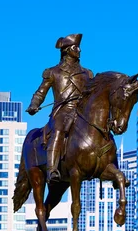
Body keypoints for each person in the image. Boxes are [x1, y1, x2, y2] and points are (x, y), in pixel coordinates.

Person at [26, 33, 94, 183]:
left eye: (79, 47)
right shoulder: (53, 72)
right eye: (76, 48)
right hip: (63, 111)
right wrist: (34, 104)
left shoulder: (87, 73)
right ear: (67, 50)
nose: (79, 51)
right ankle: (52, 169)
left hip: (82, 112)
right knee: (58, 130)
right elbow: (40, 92)